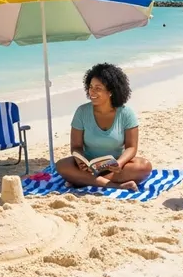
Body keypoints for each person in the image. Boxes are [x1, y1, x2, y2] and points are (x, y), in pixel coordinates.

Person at [55, 63, 152, 191]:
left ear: (111, 92)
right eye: (90, 87)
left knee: (144, 166)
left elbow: (131, 147)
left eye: (98, 88)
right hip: (88, 166)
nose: (92, 92)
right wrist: (80, 161)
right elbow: (76, 146)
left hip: (115, 167)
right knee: (62, 165)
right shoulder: (82, 111)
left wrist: (120, 163)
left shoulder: (126, 113)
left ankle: (83, 180)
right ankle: (114, 185)